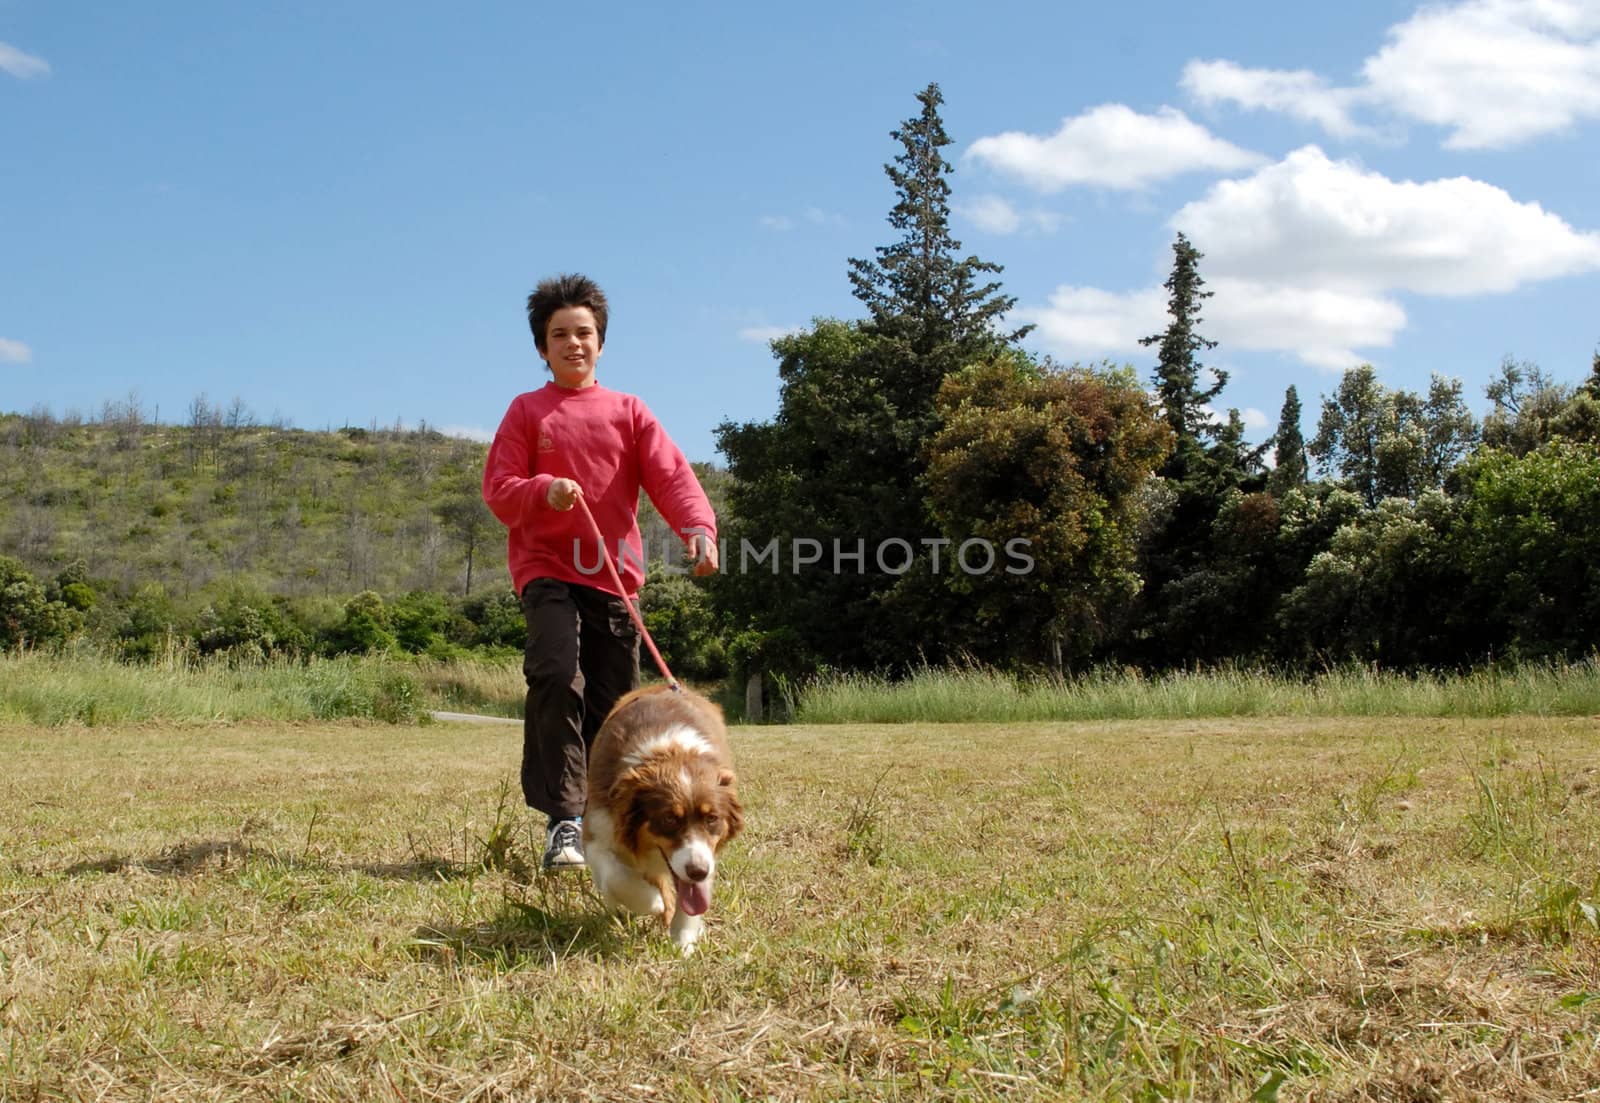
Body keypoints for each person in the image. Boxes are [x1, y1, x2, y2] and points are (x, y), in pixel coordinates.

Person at [482, 273, 719, 871]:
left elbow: (671, 476)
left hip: (614, 577)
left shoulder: (629, 411)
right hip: (547, 570)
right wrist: (544, 489)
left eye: (584, 332)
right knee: (558, 675)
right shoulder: (526, 411)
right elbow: (500, 490)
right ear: (542, 347)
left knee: (616, 707)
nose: (573, 343)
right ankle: (564, 820)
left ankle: (607, 819)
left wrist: (699, 529)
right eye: (559, 334)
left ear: (601, 342)